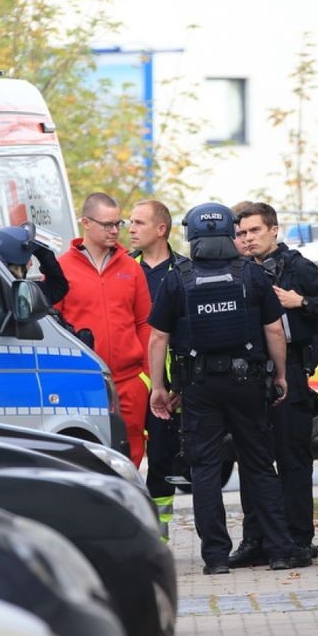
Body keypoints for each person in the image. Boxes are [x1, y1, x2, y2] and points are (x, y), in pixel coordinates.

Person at [147, 202, 312, 574]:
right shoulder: (250, 276)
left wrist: (159, 386)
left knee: (205, 470)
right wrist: (280, 375)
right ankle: (281, 550)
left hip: (199, 387)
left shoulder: (178, 278)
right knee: (258, 464)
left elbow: (158, 336)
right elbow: (274, 330)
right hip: (248, 384)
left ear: (191, 235)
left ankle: (216, 558)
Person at [228, 202, 318, 568]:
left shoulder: (296, 266)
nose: (247, 240)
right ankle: (256, 539)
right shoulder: (235, 271)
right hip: (248, 374)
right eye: (241, 234)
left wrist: (301, 301)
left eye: (254, 232)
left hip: (291, 372)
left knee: (292, 459)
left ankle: (298, 539)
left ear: (273, 230)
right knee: (252, 462)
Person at [56, 193, 152, 466]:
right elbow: (54, 323)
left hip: (129, 379)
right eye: (107, 224)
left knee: (132, 450)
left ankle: (130, 504)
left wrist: (145, 376)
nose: (115, 231)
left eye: (117, 223)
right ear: (86, 223)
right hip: (82, 381)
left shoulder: (131, 269)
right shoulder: (62, 268)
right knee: (87, 451)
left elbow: (144, 322)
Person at [128, 199, 188, 541]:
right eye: (130, 222)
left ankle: (160, 535)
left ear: (161, 229)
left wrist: (178, 381)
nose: (131, 229)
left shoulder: (183, 271)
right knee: (127, 455)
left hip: (168, 383)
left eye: (139, 222)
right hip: (130, 378)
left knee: (163, 458)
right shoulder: (125, 268)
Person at [0, 222, 70, 304]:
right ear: (17, 264)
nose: (31, 264)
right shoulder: (20, 294)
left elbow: (57, 288)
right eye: (28, 258)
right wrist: (43, 254)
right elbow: (57, 288)